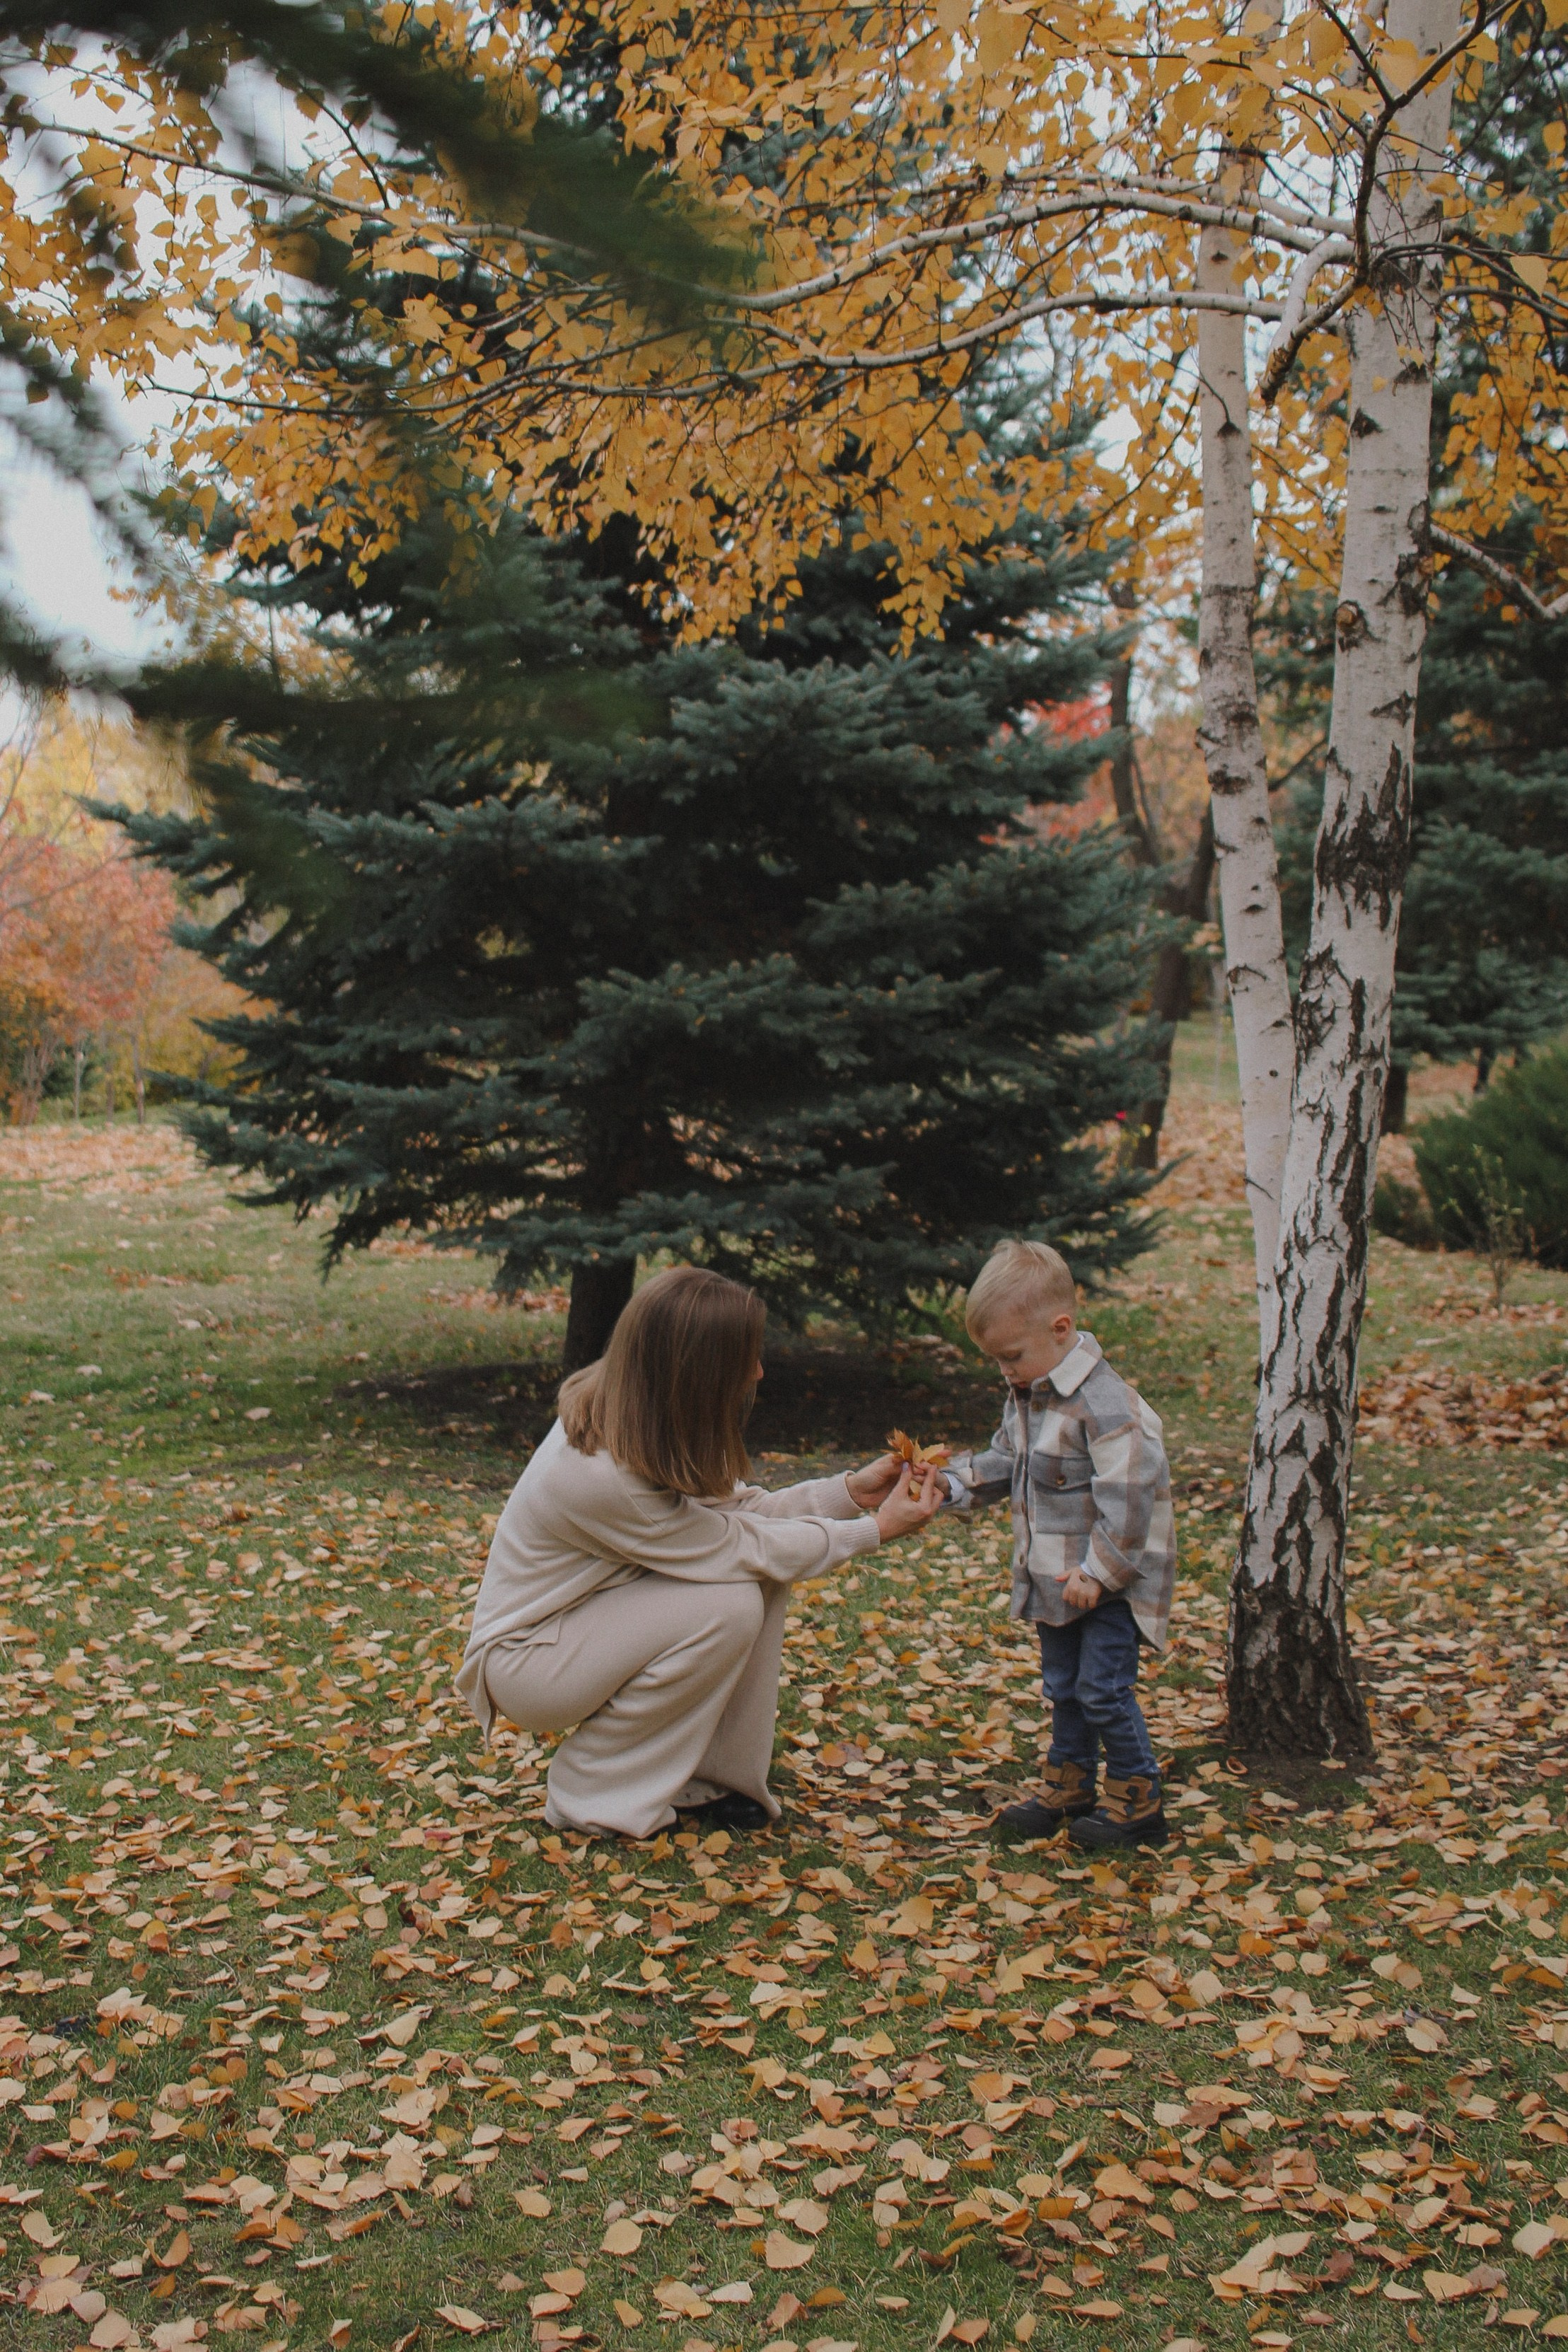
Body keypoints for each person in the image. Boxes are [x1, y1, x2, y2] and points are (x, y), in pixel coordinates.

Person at [456, 1265, 942, 1839]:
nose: (759, 1370)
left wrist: (849, 1494)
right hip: (529, 1659)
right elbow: (734, 1544)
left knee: (752, 1576)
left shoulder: (639, 1413)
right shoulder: (598, 1475)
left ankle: (710, 1780)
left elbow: (736, 1516)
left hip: (580, 1626)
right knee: (731, 1599)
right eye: (745, 1358)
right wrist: (873, 1531)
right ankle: (592, 1795)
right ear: (695, 1372)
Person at [941, 1239, 1175, 1848]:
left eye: (1011, 1356)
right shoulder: (1027, 1393)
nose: (1005, 1371)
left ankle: (1137, 1795)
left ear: (1060, 1327)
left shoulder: (1106, 1406)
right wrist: (948, 1486)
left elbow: (1130, 1499)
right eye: (996, 1360)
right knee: (1064, 1686)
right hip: (1054, 1577)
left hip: (1107, 1587)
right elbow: (1005, 1460)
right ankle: (1069, 1781)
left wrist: (1097, 1572)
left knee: (1102, 1687)